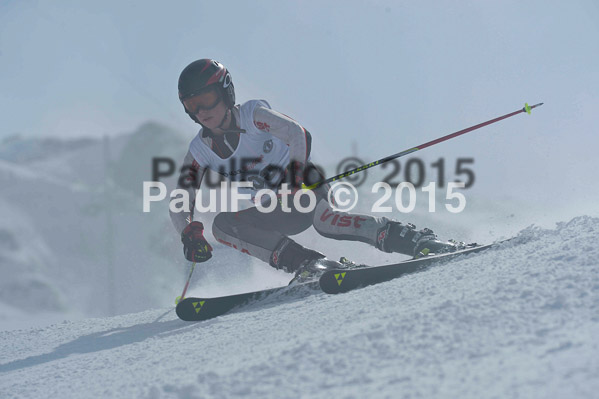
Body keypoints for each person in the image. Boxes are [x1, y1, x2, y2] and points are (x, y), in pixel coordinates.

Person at [170, 59, 464, 279]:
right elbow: (182, 196)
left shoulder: (253, 116)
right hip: (276, 208)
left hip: (304, 185)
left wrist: (294, 178)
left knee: (327, 223)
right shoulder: (200, 149)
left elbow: (297, 133)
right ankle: (309, 265)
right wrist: (188, 233)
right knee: (223, 226)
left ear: (225, 92)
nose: (201, 111)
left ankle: (416, 240)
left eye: (206, 99)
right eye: (192, 105)